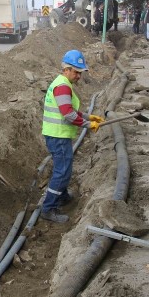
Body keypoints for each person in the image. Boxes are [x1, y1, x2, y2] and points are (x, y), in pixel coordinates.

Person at [40, 50, 105, 223]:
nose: (78, 76)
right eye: (76, 72)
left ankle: (62, 196)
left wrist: (87, 117)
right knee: (62, 172)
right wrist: (88, 125)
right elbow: (68, 114)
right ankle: (48, 208)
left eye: (80, 72)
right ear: (66, 69)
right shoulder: (62, 86)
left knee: (63, 170)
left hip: (57, 135)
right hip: (58, 136)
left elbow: (70, 110)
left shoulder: (62, 83)